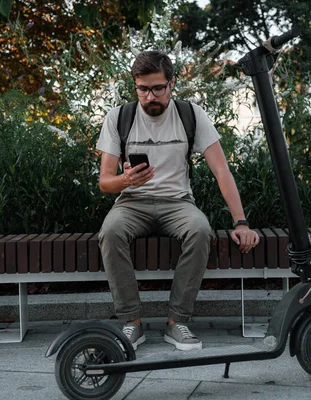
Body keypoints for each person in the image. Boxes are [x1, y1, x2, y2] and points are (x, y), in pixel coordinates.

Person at [96, 51, 259, 351]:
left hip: (178, 202)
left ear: (172, 83)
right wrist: (126, 181)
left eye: (158, 88)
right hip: (132, 202)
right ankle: (131, 323)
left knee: (199, 230)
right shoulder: (119, 117)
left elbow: (221, 170)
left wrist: (241, 221)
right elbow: (105, 181)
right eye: (143, 89)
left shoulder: (191, 115)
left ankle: (177, 322)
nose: (150, 96)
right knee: (110, 231)